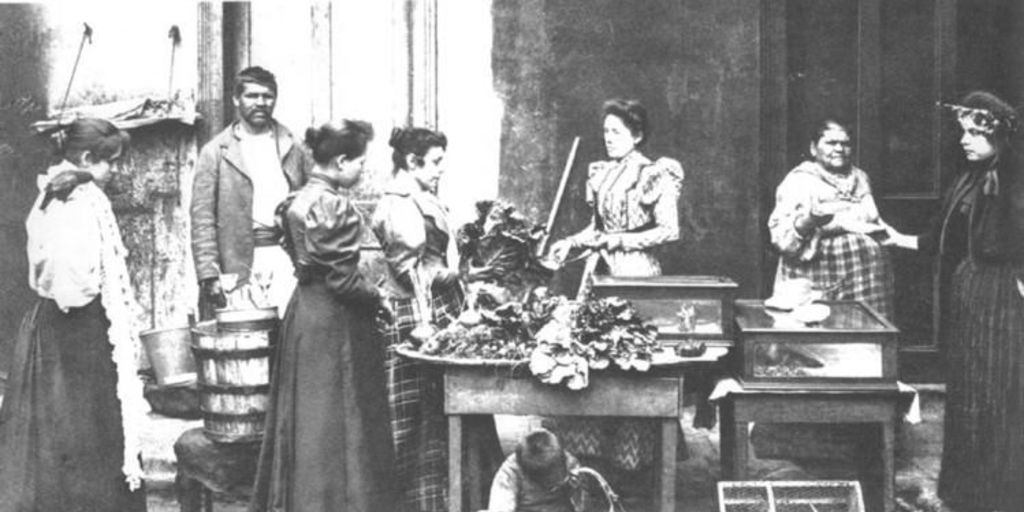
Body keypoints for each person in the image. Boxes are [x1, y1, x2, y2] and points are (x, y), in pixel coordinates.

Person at [884, 91, 1024, 512]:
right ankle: (965, 494)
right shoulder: (968, 178)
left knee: (996, 394)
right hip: (969, 291)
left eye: (975, 134)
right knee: (967, 392)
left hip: (1000, 294)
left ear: (998, 137)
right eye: (963, 132)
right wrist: (897, 239)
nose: (965, 140)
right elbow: (943, 240)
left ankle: (998, 496)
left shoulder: (1013, 181)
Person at [0, 118, 148, 511]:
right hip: (74, 331)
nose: (113, 171)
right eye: (110, 162)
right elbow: (71, 280)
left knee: (70, 436)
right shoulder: (77, 198)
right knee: (81, 434)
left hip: (56, 326)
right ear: (86, 158)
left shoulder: (53, 189)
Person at [249, 120, 394, 512]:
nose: (362, 171)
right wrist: (378, 297)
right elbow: (343, 282)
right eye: (360, 163)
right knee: (338, 418)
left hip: (304, 315)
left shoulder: (296, 200)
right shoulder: (333, 206)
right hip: (335, 322)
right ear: (341, 160)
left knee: (308, 418)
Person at [547, 98, 684, 478]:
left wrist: (620, 240)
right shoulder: (602, 172)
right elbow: (597, 230)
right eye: (605, 131)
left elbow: (669, 231)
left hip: (636, 274)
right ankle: (590, 458)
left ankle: (631, 460)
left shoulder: (655, 174)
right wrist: (571, 242)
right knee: (593, 356)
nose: (608, 139)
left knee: (631, 361)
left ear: (637, 135)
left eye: (617, 132)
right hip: (599, 272)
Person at [371, 126, 503, 511]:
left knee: (450, 407)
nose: (441, 170)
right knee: (417, 417)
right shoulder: (398, 204)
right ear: (412, 162)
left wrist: (466, 273)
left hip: (438, 306)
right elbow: (410, 272)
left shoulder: (420, 195)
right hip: (414, 315)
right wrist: (463, 275)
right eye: (436, 163)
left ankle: (456, 498)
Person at [191, 65, 314, 319]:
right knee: (247, 338)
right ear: (237, 99)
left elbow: (313, 202)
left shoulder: (295, 146)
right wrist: (209, 274)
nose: (261, 103)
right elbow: (202, 219)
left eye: (267, 96)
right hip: (238, 264)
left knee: (290, 337)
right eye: (252, 96)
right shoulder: (216, 152)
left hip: (287, 260)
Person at [767, 118, 895, 319]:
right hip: (820, 276)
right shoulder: (799, 181)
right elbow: (782, 240)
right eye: (831, 143)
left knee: (866, 337)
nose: (839, 149)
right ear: (813, 148)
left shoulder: (861, 177)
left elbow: (872, 218)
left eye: (845, 144)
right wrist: (809, 221)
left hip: (865, 278)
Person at [487, 429, 581, 512]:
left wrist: (578, 487)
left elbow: (584, 503)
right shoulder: (510, 471)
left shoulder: (567, 461)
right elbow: (500, 506)